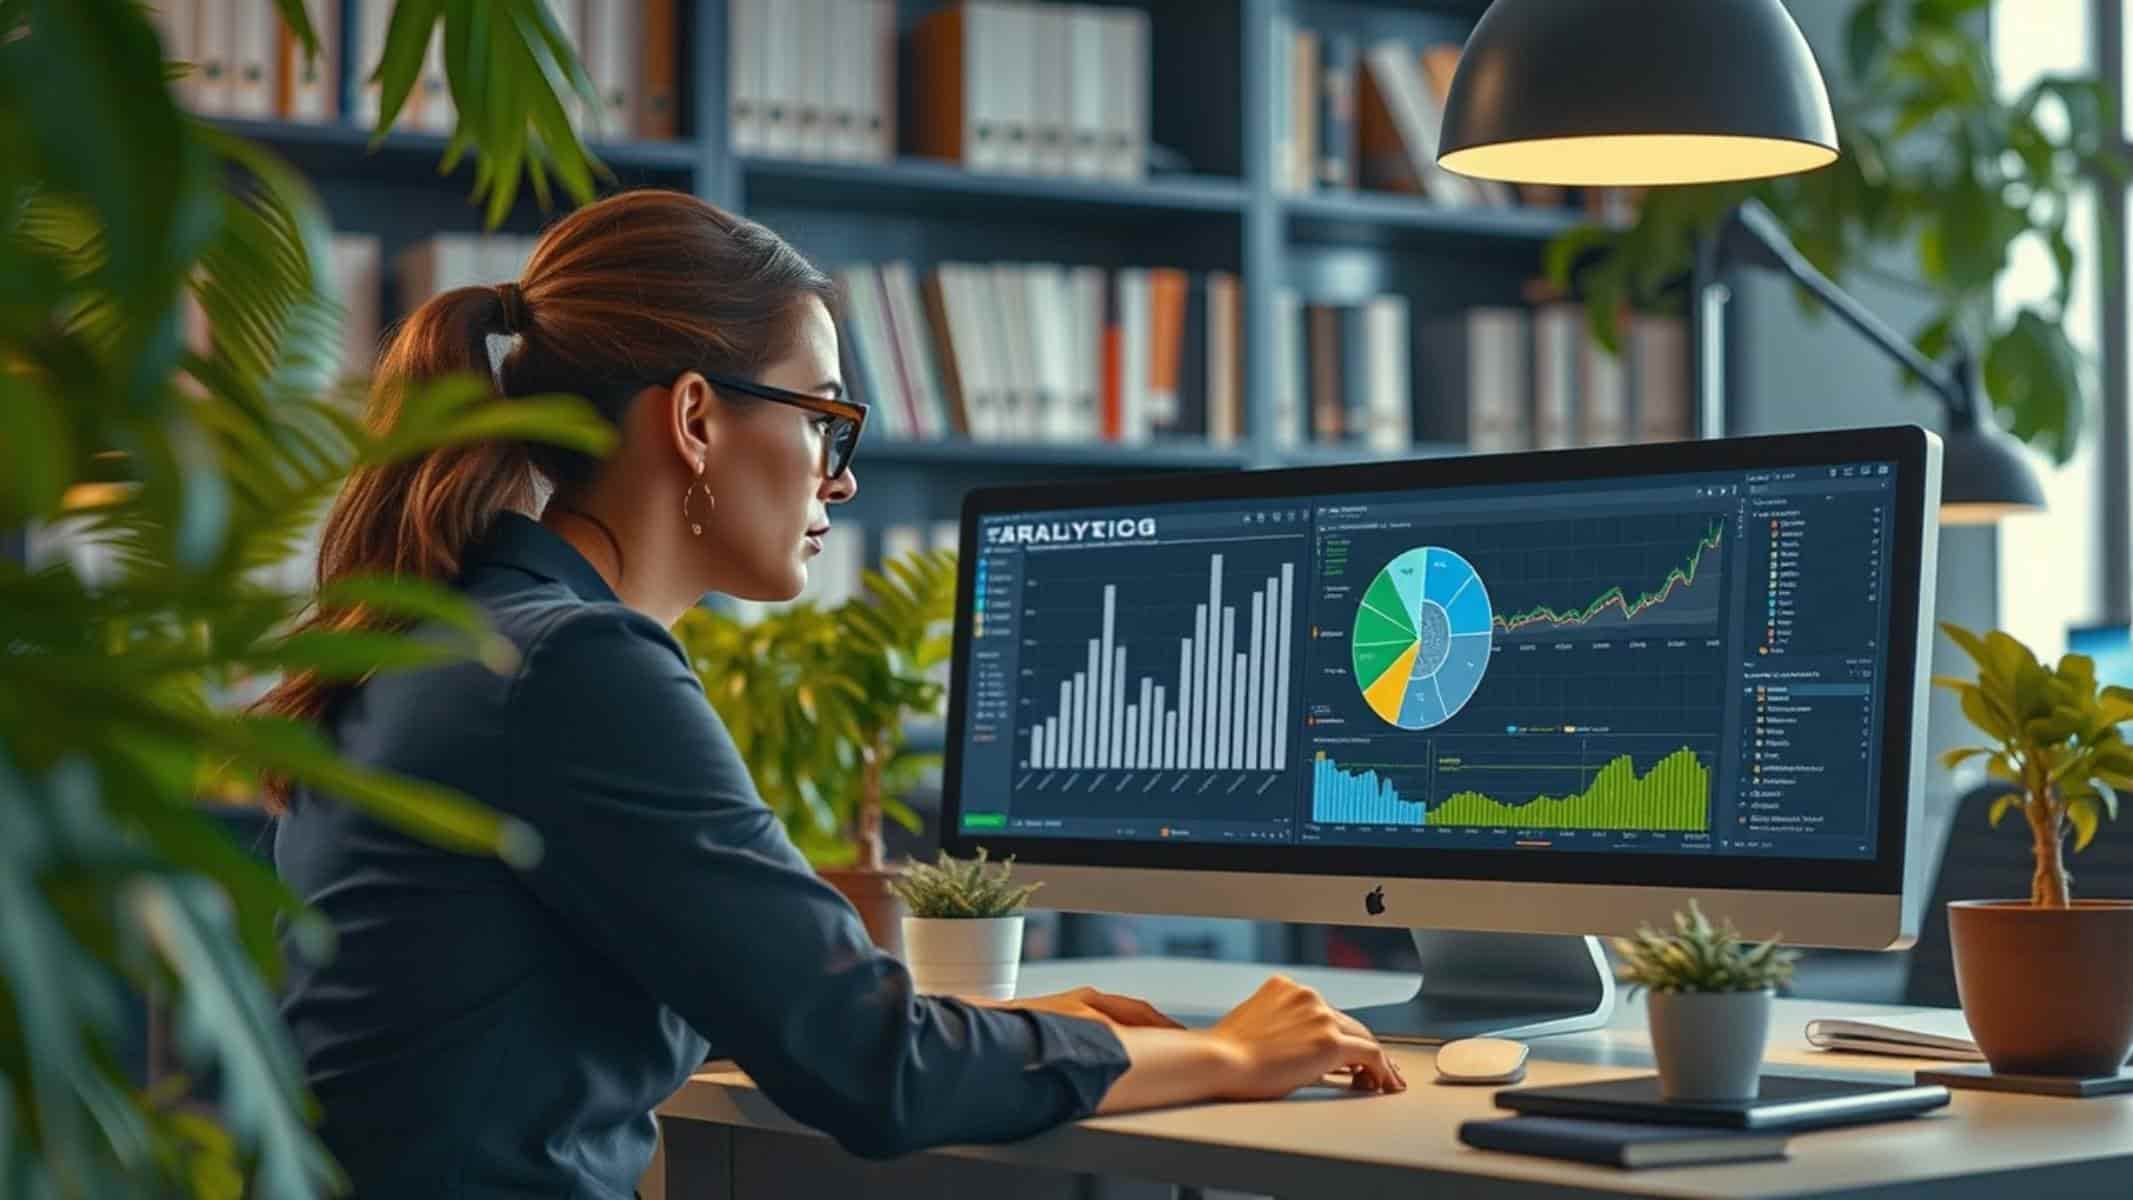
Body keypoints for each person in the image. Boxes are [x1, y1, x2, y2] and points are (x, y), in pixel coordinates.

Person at [260, 189, 1403, 1200]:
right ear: (697, 417)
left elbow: (773, 1007)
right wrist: (1233, 1055)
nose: (840, 475)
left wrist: (1017, 1030)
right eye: (822, 419)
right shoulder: (575, 669)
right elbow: (875, 1073)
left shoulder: (453, 630)